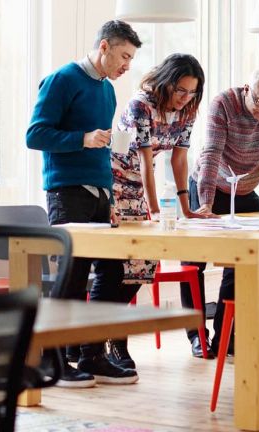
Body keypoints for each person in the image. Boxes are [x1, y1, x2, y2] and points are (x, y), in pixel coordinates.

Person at [26, 20, 143, 388]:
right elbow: (35, 134)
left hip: (100, 194)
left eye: (131, 59)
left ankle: (92, 354)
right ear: (104, 47)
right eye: (124, 56)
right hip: (67, 192)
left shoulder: (107, 91)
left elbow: (102, 146)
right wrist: (83, 138)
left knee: (110, 273)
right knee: (72, 276)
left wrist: (110, 195)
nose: (127, 65)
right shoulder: (62, 79)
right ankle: (54, 361)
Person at [182, 67, 259, 357]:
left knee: (241, 263)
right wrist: (205, 203)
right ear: (247, 89)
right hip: (210, 185)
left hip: (245, 191)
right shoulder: (223, 104)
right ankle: (197, 336)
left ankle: (226, 336)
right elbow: (210, 153)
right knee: (193, 263)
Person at [106, 53, 210, 365]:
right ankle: (114, 343)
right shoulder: (142, 104)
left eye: (192, 92)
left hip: (141, 186)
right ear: (166, 83)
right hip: (116, 182)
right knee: (120, 269)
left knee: (143, 266)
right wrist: (153, 211)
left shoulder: (188, 110)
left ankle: (104, 335)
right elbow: (146, 162)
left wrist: (187, 207)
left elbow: (178, 159)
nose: (185, 98)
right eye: (180, 90)